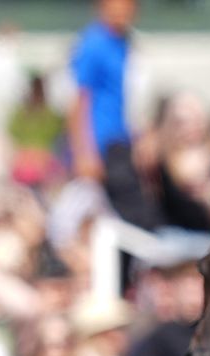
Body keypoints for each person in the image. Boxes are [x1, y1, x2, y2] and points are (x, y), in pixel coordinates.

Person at [67, 0, 161, 230]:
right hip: (104, 143)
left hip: (122, 139)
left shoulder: (125, 43)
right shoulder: (93, 43)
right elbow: (78, 99)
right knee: (134, 216)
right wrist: (84, 152)